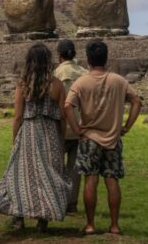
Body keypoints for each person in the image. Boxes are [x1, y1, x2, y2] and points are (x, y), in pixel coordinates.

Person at [0, 43, 75, 232]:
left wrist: (15, 139)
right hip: (49, 134)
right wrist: (60, 139)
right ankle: (43, 220)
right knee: (49, 176)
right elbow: (61, 116)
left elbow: (18, 116)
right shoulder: (57, 85)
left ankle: (19, 217)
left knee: (22, 175)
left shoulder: (23, 84)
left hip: (28, 133)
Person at [65, 41, 141, 235]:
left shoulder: (81, 82)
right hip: (113, 139)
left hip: (89, 137)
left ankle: (90, 224)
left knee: (90, 180)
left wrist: (77, 128)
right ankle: (114, 225)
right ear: (106, 58)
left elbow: (67, 106)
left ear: (88, 59)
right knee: (112, 180)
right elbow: (136, 101)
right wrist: (127, 126)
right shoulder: (119, 81)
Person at [52, 39, 87, 213]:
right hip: (81, 126)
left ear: (59, 55)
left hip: (62, 125)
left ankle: (56, 200)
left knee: (55, 165)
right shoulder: (84, 72)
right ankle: (71, 203)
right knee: (75, 168)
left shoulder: (57, 73)